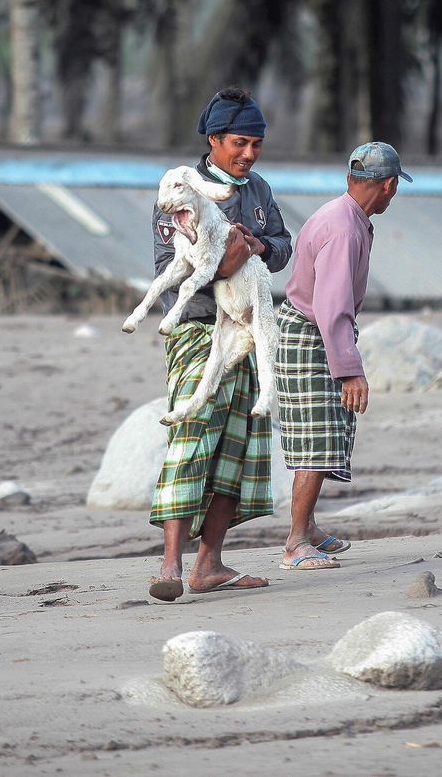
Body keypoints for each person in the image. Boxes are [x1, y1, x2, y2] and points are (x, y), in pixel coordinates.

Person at [146, 87, 292, 600]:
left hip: (248, 334)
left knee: (239, 447)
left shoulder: (260, 192)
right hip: (196, 330)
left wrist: (257, 245)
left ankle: (208, 565)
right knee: (189, 434)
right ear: (214, 141)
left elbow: (281, 246)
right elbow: (168, 270)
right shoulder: (178, 192)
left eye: (256, 144)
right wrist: (225, 265)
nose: (248, 154)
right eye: (239, 143)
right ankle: (169, 566)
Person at [273, 140, 410, 570]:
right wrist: (350, 370)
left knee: (326, 432)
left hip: (312, 329)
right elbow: (332, 306)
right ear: (388, 186)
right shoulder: (346, 227)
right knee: (317, 440)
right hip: (312, 333)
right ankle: (296, 541)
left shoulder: (342, 214)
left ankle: (308, 527)